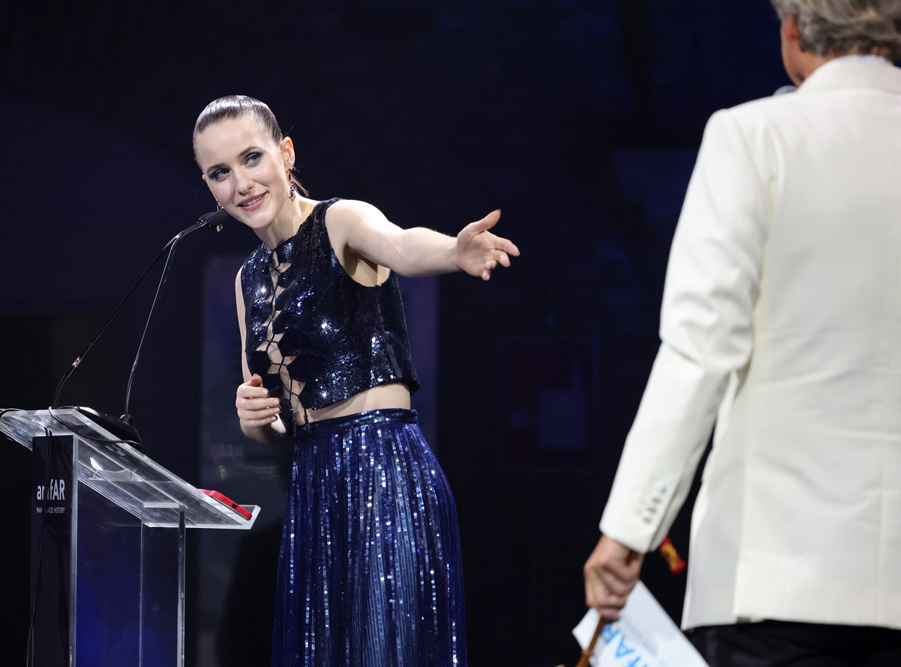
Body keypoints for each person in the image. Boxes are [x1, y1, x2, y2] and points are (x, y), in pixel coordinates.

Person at [582, 1, 901, 664]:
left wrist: (629, 531)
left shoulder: (754, 137)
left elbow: (701, 350)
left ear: (793, 33)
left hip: (776, 580)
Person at [192, 95, 519, 666]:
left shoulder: (339, 221)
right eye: (221, 172)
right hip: (312, 488)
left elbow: (401, 244)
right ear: (208, 186)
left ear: (285, 155)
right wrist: (256, 421)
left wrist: (453, 251)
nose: (241, 183)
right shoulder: (248, 282)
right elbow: (274, 428)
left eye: (251, 158)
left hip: (383, 472)